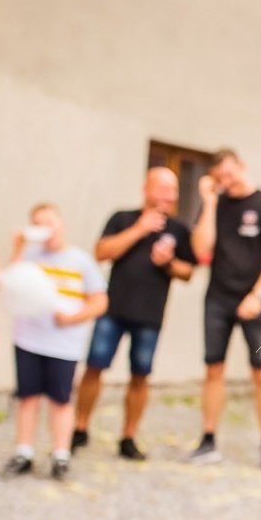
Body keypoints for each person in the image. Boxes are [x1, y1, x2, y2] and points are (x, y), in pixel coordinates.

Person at [71, 167, 195, 460]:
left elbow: (187, 272)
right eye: (164, 189)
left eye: (174, 190)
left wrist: (168, 263)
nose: (170, 196)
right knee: (94, 367)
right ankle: (79, 428)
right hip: (113, 310)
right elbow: (101, 252)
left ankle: (128, 437)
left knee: (140, 376)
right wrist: (140, 229)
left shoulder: (178, 230)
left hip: (150, 316)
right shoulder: (123, 218)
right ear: (146, 189)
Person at [188, 148, 261, 468]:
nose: (226, 182)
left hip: (254, 300)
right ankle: (208, 440)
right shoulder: (216, 205)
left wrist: (258, 295)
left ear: (242, 166)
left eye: (230, 175)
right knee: (213, 369)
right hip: (218, 298)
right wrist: (210, 201)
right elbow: (201, 248)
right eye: (220, 179)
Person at [2, 204, 107, 481]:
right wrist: (17, 248)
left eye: (49, 221)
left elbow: (99, 301)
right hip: (29, 339)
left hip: (64, 344)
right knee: (27, 396)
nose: (46, 227)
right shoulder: (29, 257)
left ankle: (61, 454)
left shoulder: (81, 260)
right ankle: (23, 451)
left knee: (61, 399)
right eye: (38, 222)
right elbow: (10, 283)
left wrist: (73, 318)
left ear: (61, 223)